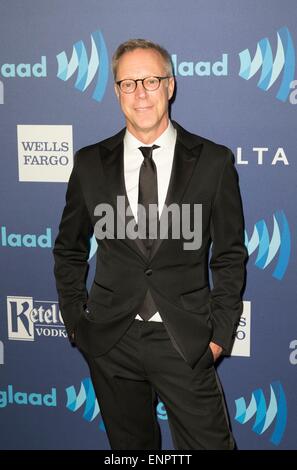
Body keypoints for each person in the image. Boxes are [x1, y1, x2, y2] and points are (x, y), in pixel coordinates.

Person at [53, 38, 247, 450]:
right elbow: (69, 250)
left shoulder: (213, 162)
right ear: (117, 90)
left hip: (185, 340)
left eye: (151, 81)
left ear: (170, 85)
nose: (140, 93)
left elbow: (229, 255)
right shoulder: (89, 163)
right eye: (128, 83)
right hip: (110, 340)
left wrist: (220, 335)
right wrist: (76, 322)